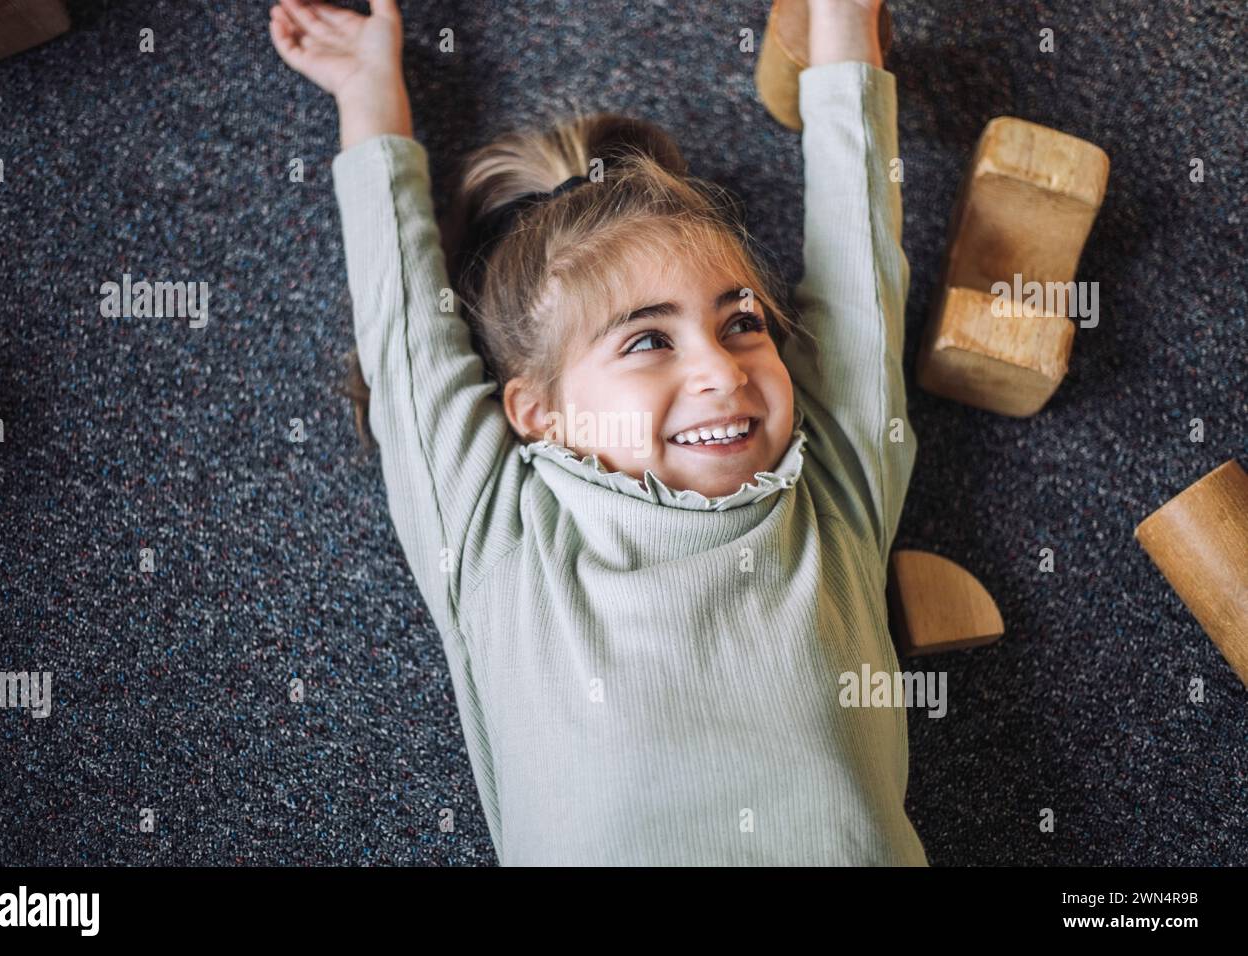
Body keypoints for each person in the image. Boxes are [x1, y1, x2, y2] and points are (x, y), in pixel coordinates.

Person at [271, 0, 925, 865]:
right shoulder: (495, 539)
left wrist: (844, 24)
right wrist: (368, 97)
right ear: (540, 413)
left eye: (741, 323)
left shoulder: (831, 492)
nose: (724, 372)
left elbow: (859, 277)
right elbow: (407, 342)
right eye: (649, 340)